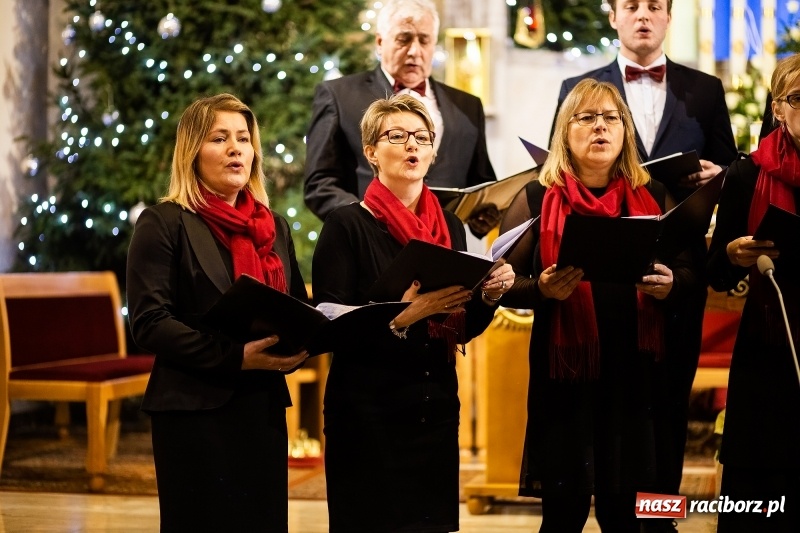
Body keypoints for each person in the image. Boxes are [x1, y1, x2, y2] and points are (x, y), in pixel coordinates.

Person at [553, 0, 739, 513]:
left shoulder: (705, 89)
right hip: (599, 271)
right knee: (607, 401)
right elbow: (555, 166)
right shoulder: (580, 89)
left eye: (654, 6)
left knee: (669, 398)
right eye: (631, 6)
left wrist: (716, 178)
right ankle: (591, 507)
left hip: (676, 264)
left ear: (668, 16)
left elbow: (731, 169)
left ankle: (659, 517)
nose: (643, 15)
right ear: (613, 16)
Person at [500, 79, 696, 533]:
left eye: (610, 118)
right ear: (564, 132)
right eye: (586, 118)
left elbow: (690, 273)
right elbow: (500, 285)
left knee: (627, 515)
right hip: (566, 376)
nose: (600, 128)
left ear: (625, 131)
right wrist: (541, 290)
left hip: (635, 375)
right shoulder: (535, 198)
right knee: (563, 515)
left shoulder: (657, 197)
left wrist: (671, 284)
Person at [312, 94, 514, 533]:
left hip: (433, 407)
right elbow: (327, 329)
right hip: (367, 413)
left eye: (422, 138)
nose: (412, 147)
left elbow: (461, 327)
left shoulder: (450, 227)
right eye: (397, 136)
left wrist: (489, 296)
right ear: (371, 152)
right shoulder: (345, 225)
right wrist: (401, 317)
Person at [126, 93, 309, 532]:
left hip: (261, 405)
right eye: (219, 138)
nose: (236, 149)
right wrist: (234, 357)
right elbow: (149, 322)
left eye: (244, 139)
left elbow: (298, 305)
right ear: (193, 151)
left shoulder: (274, 225)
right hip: (194, 408)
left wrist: (310, 334)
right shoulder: (164, 222)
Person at [707, 53, 800, 533]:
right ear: (778, 109)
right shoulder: (745, 175)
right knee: (761, 496)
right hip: (768, 349)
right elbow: (716, 274)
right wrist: (734, 254)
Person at [303, 0, 496, 221]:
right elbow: (319, 184)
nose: (414, 51)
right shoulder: (338, 96)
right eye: (404, 39)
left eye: (424, 40)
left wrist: (487, 214)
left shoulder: (467, 105)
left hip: (444, 245)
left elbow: (482, 183)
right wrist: (364, 219)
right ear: (379, 42)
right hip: (370, 244)